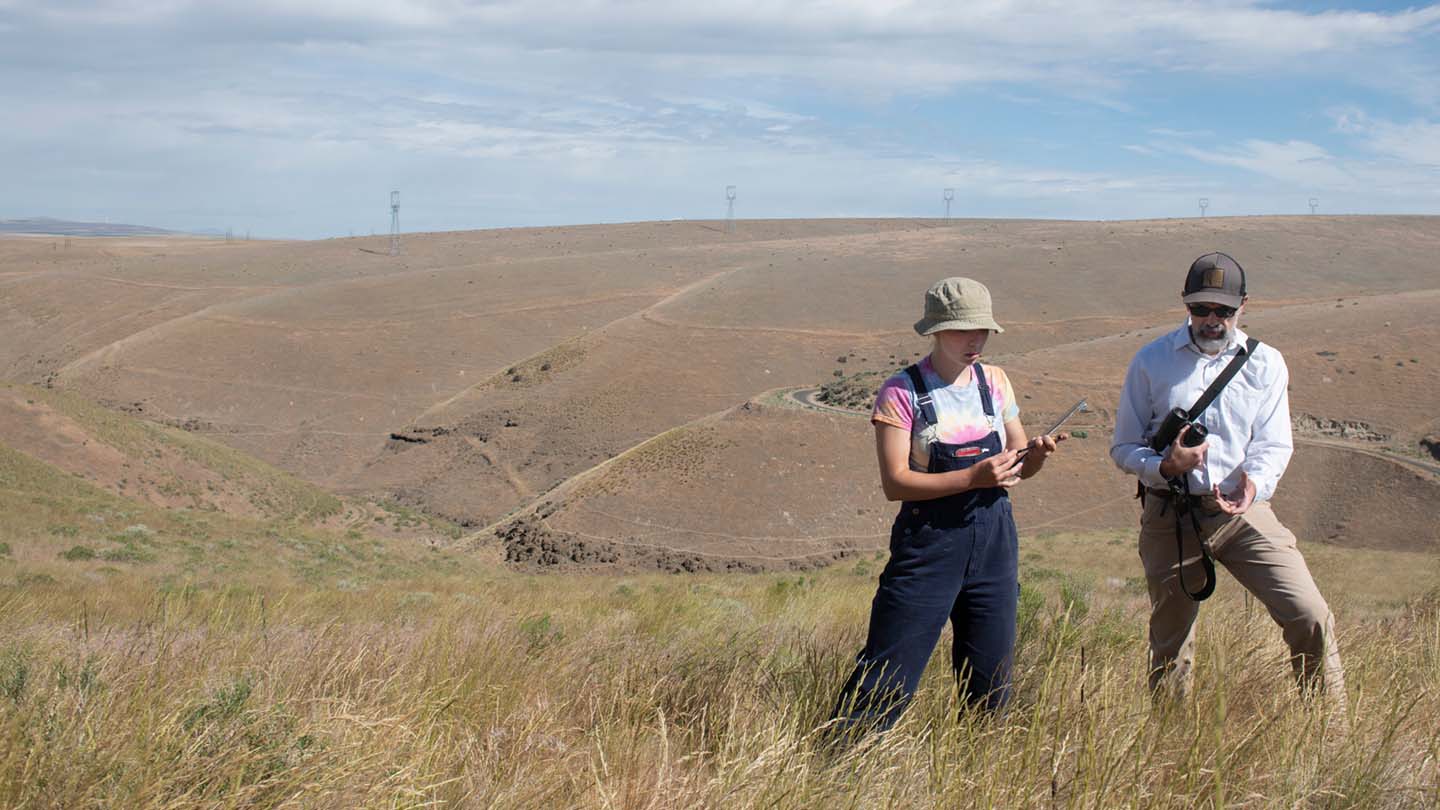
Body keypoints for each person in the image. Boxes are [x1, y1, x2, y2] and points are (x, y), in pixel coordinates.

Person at [1111, 252, 1345, 707]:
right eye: (1201, 308)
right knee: (1170, 645)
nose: (1212, 319)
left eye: (1224, 310)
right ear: (1185, 304)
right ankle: (1168, 749)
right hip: (1170, 514)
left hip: (1242, 514)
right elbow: (1123, 447)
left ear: (1243, 306)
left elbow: (1275, 444)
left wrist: (1252, 485)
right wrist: (1164, 466)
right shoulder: (1151, 361)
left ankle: (1330, 737)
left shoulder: (1266, 364)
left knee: (1310, 614)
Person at [831, 276, 1062, 734]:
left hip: (995, 540)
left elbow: (1017, 467)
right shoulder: (900, 392)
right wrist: (973, 477)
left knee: (991, 679)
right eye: (962, 330)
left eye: (982, 331)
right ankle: (841, 762)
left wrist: (1033, 457)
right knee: (889, 671)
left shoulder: (995, 382)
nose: (974, 341)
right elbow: (896, 483)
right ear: (935, 331)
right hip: (929, 543)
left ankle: (979, 771)